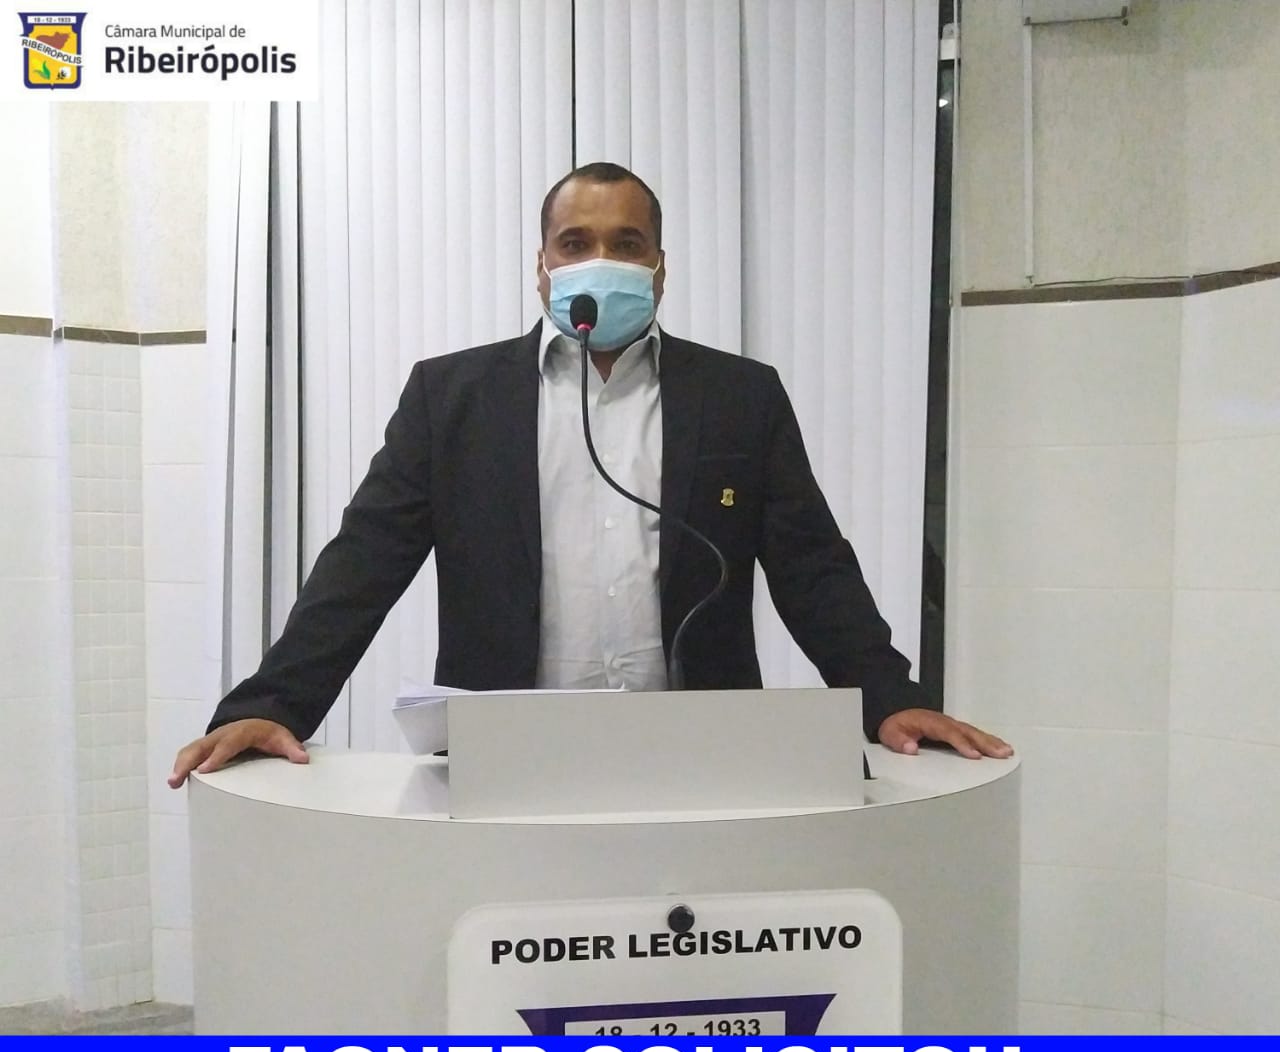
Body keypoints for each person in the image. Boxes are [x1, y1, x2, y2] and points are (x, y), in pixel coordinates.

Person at [170, 163, 1010, 787]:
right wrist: (272, 704)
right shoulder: (452, 398)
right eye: (576, 243)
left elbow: (811, 565)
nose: (600, 259)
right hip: (504, 762)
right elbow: (362, 564)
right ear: (542, 266)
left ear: (660, 268)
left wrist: (888, 696)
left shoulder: (739, 397)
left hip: (703, 758)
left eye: (626, 244)